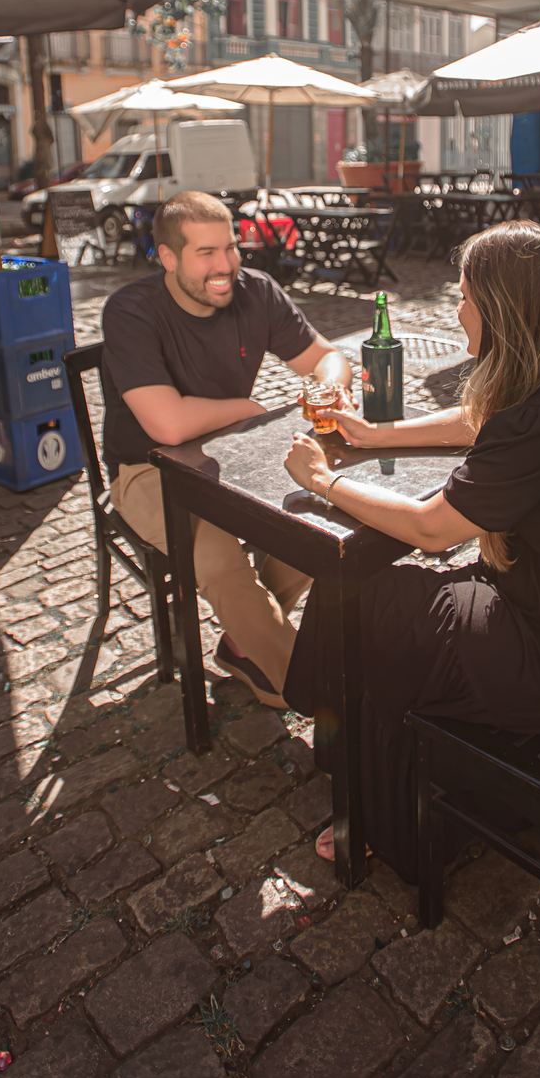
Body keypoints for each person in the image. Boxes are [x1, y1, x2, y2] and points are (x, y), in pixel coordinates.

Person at [281, 221, 540, 878]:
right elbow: (479, 420)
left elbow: (431, 529)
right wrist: (375, 435)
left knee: (363, 597)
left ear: (504, 312)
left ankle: (373, 800)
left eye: (465, 298)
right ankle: (361, 752)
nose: (456, 311)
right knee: (383, 601)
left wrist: (324, 480)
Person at [101, 191, 352, 707]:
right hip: (149, 469)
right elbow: (167, 425)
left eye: (231, 248)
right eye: (206, 253)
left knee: (321, 521)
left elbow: (327, 357)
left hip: (236, 457)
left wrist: (327, 388)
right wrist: (246, 407)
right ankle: (315, 691)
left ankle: (244, 643)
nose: (226, 266)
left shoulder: (254, 291)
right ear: (168, 258)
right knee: (217, 558)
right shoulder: (130, 310)